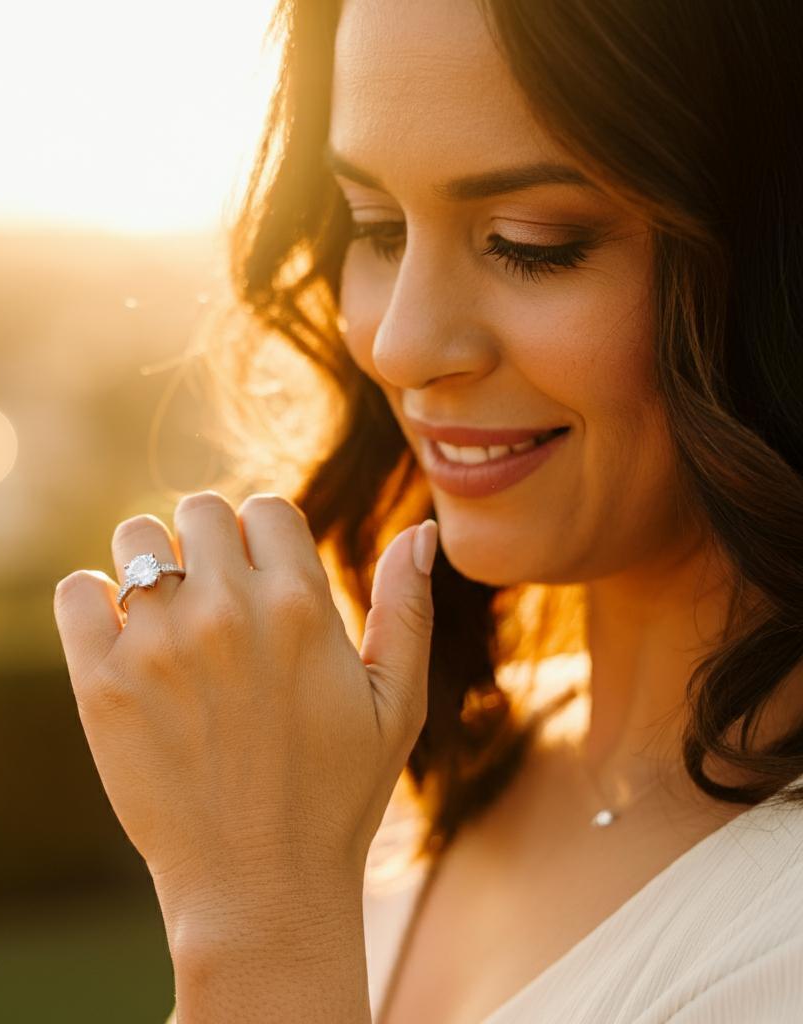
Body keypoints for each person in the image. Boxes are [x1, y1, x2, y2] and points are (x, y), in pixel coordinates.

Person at [54, 1, 803, 1021]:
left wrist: (255, 936)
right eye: (374, 227)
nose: (399, 345)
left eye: (527, 243)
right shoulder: (425, 771)